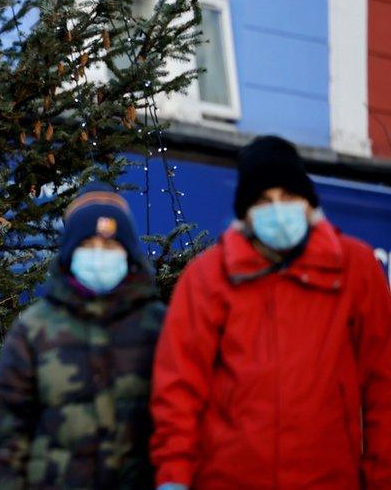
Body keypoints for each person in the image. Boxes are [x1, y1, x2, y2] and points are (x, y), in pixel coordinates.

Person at [150, 135, 391, 489]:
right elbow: (179, 387)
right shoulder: (209, 277)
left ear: (308, 203)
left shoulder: (355, 269)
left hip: (328, 479)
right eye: (264, 201)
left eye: (288, 197)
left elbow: (383, 385)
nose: (278, 209)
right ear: (246, 212)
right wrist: (174, 477)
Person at [0, 182, 164, 489]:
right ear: (70, 253)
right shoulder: (35, 329)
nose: (99, 255)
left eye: (110, 245)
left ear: (128, 253)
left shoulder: (158, 326)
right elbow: (8, 430)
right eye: (88, 245)